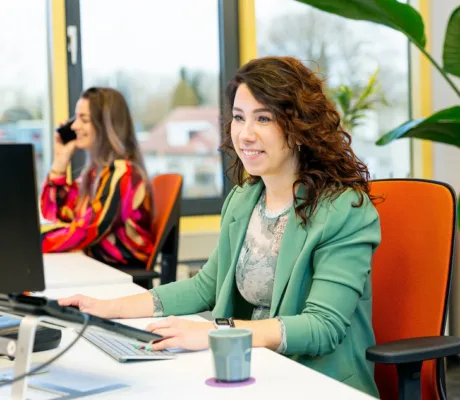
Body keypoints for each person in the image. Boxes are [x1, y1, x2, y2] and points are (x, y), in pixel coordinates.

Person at [59, 57, 381, 397]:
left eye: (264, 118)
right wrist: (106, 308)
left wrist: (216, 333)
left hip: (318, 383)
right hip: (256, 371)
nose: (245, 134)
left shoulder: (343, 210)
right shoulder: (244, 199)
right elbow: (205, 287)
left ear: (300, 127)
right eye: (239, 118)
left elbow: (322, 327)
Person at [41, 87, 154, 268]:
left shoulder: (123, 174)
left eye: (84, 119)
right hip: (99, 266)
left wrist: (34, 242)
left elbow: (86, 230)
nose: (74, 126)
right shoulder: (96, 174)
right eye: (75, 118)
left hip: (121, 273)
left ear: (106, 126)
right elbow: (56, 212)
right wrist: (60, 160)